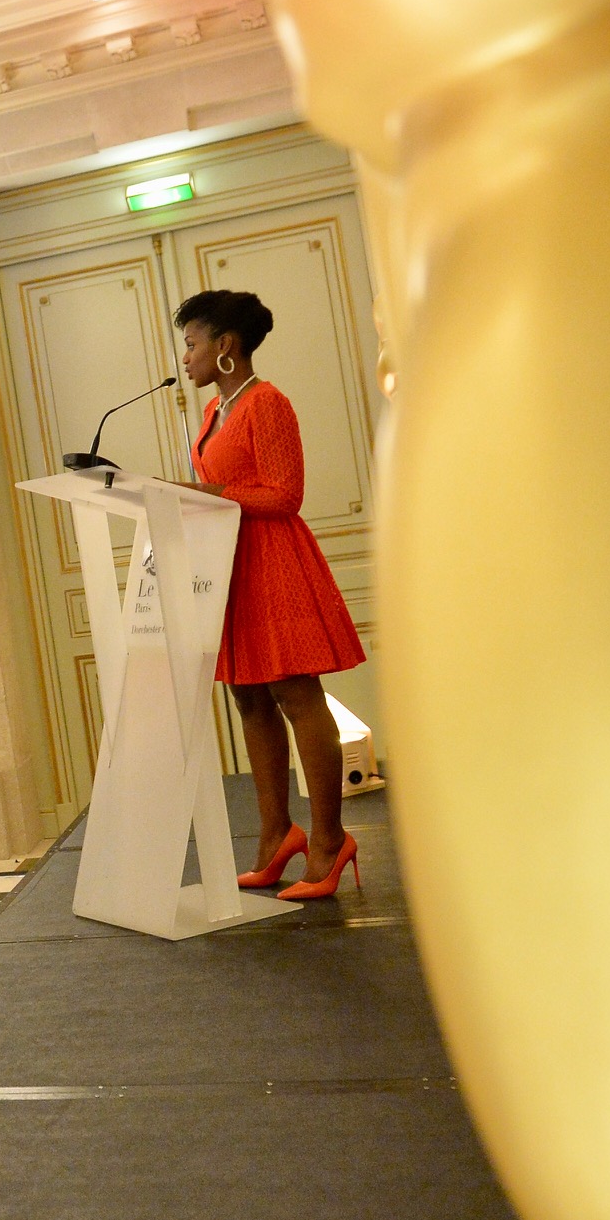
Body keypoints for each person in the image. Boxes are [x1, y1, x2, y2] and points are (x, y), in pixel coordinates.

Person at [175, 288, 367, 900]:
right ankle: (276, 833)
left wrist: (211, 495)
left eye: (192, 342)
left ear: (225, 346)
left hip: (274, 560)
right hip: (230, 562)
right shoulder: (213, 414)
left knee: (296, 694)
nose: (186, 357)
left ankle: (331, 840)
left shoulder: (268, 403)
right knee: (249, 698)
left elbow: (286, 495)